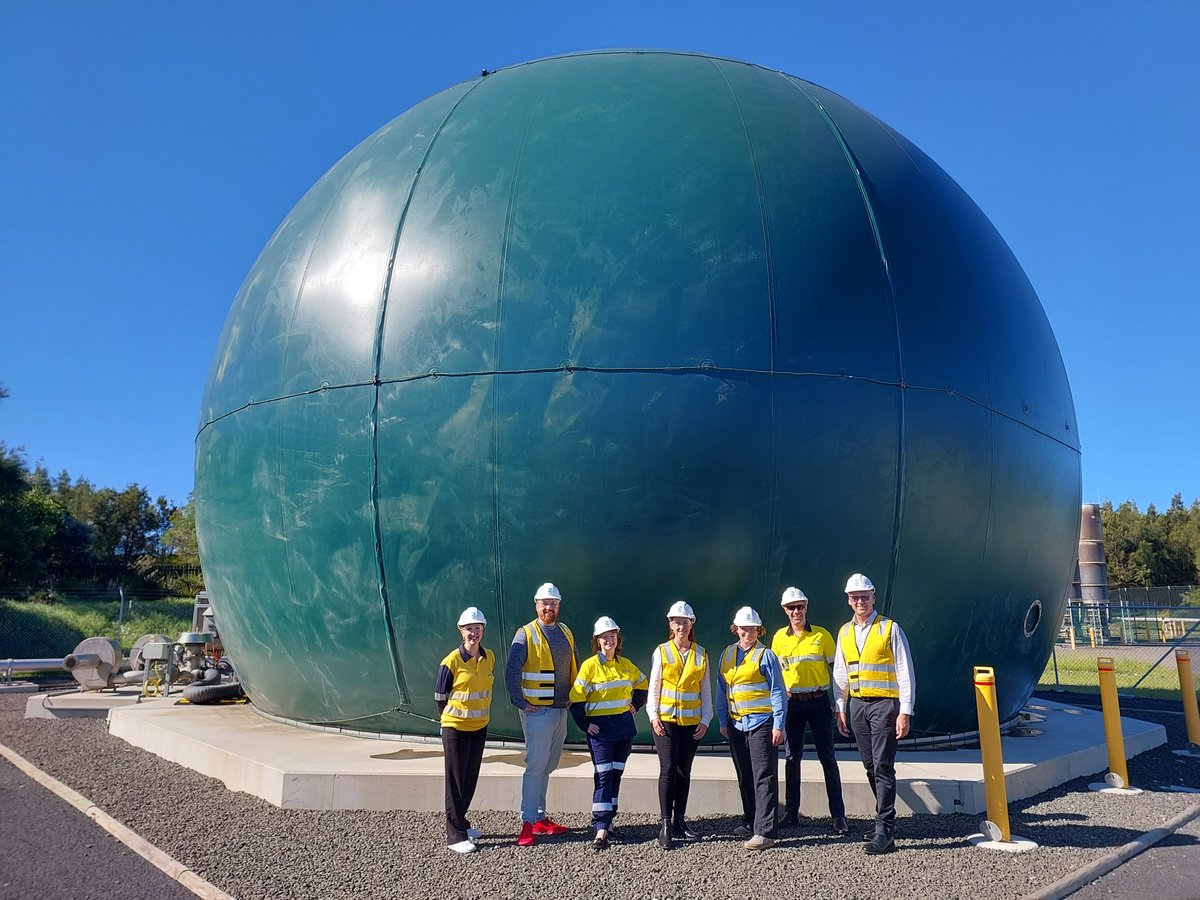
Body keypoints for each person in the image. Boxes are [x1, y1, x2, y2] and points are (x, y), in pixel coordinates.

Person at [833, 573, 916, 855]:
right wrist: (841, 707)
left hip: (884, 705)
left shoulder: (890, 629)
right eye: (855, 597)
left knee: (882, 765)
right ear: (849, 600)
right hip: (858, 706)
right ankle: (884, 819)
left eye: (864, 597)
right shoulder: (845, 632)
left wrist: (905, 711)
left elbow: (905, 673)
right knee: (870, 765)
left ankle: (884, 829)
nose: (860, 602)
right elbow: (841, 674)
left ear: (873, 598)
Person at [505, 581, 578, 846]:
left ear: (559, 606)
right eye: (545, 603)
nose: (549, 607)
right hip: (537, 712)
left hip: (560, 710)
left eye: (554, 603)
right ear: (537, 605)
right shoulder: (525, 634)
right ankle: (526, 822)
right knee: (535, 767)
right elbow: (512, 670)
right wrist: (521, 702)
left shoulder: (566, 631)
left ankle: (539, 817)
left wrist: (574, 698)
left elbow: (574, 665)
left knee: (549, 765)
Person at [771, 586, 849, 836]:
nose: (797, 612)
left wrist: (840, 705)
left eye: (800, 606)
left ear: (807, 607)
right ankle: (791, 813)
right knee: (792, 759)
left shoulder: (822, 636)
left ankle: (838, 815)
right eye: (792, 608)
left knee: (828, 758)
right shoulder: (778, 639)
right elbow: (776, 678)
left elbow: (838, 672)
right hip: (792, 704)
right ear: (785, 610)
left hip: (818, 702)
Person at [570, 616, 649, 850]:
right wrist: (585, 725)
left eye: (612, 636)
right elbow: (576, 699)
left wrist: (636, 703)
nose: (609, 640)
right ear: (597, 640)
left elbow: (643, 683)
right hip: (601, 732)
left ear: (618, 639)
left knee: (615, 775)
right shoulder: (590, 666)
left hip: (623, 730)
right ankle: (601, 826)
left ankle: (610, 819)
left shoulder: (625, 665)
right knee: (603, 776)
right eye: (604, 636)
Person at [715, 606, 786, 851]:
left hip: (761, 723)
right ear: (736, 629)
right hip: (736, 724)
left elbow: (777, 691)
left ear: (758, 630)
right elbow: (722, 690)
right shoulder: (726, 655)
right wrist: (723, 720)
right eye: (744, 628)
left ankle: (765, 831)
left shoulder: (766, 656)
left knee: (763, 776)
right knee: (745, 774)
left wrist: (779, 724)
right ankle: (751, 819)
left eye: (753, 628)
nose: (748, 632)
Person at [647, 600, 713, 849]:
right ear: (670, 624)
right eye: (676, 622)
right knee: (668, 769)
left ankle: (680, 821)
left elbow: (705, 689)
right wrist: (653, 716)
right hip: (665, 722)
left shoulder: (701, 653)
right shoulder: (662, 651)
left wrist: (706, 720)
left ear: (691, 624)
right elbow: (655, 686)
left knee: (684, 770)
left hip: (691, 723)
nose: (681, 626)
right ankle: (665, 823)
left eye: (685, 622)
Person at [434, 606, 494, 854]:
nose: (474, 633)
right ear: (461, 630)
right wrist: (449, 721)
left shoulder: (489, 656)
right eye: (469, 629)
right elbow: (440, 696)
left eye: (477, 628)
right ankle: (454, 835)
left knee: (469, 779)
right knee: (455, 782)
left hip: (479, 727)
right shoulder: (451, 661)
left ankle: (462, 822)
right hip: (456, 729)